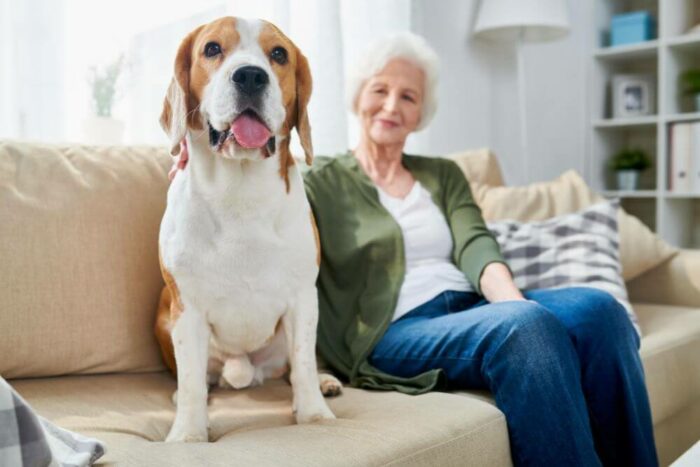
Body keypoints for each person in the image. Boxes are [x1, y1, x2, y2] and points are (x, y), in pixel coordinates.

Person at [169, 32, 658, 467]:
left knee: (601, 311)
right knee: (524, 329)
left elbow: (476, 244)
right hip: (392, 331)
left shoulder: (442, 174)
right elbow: (257, 200)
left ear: (421, 112)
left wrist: (507, 300)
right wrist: (193, 162)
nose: (391, 105)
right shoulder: (319, 180)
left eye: (408, 96)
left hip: (471, 306)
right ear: (358, 98)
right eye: (380, 90)